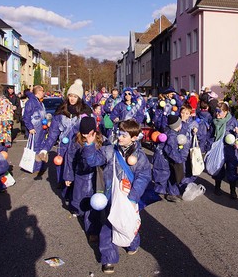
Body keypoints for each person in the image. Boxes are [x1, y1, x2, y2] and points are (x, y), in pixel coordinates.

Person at [82, 119, 151, 274]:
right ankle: (108, 258)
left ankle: (132, 243)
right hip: (110, 196)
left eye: (124, 135)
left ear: (134, 137)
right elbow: (93, 161)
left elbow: (144, 176)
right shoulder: (110, 150)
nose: (119, 137)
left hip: (129, 198)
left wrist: (133, 196)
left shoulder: (139, 156)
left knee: (127, 224)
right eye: (119, 133)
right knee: (108, 225)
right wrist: (89, 144)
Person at [38, 79, 92, 194]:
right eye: (70, 96)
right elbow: (52, 134)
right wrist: (44, 149)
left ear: (79, 98)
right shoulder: (61, 112)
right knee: (63, 178)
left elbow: (92, 133)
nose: (72, 99)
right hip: (63, 149)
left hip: (79, 149)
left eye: (75, 96)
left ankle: (75, 202)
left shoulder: (85, 113)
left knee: (78, 178)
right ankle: (66, 196)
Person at [65, 117, 104, 241]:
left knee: (93, 204)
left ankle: (93, 230)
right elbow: (70, 159)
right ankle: (81, 212)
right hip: (80, 176)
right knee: (78, 202)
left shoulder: (101, 141)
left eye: (89, 133)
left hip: (96, 177)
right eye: (83, 133)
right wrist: (68, 176)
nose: (86, 135)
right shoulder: (76, 141)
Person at [153, 115, 191, 202]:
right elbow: (171, 150)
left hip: (164, 158)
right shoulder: (172, 135)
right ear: (177, 126)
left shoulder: (170, 132)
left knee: (171, 175)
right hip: (164, 160)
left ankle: (172, 192)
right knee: (169, 175)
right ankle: (168, 193)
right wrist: (179, 160)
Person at [211, 101, 238, 199]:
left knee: (232, 170)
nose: (217, 114)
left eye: (219, 112)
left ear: (226, 112)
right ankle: (217, 187)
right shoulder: (214, 121)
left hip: (230, 150)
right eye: (216, 111)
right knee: (218, 168)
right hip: (218, 149)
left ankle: (233, 191)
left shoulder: (233, 121)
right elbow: (211, 135)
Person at [22, 85, 47, 174]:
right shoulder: (31, 102)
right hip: (35, 128)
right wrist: (30, 127)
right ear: (39, 92)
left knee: (40, 147)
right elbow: (26, 116)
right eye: (43, 91)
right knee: (35, 148)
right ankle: (35, 167)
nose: (44, 93)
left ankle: (39, 166)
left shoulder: (40, 102)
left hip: (42, 128)